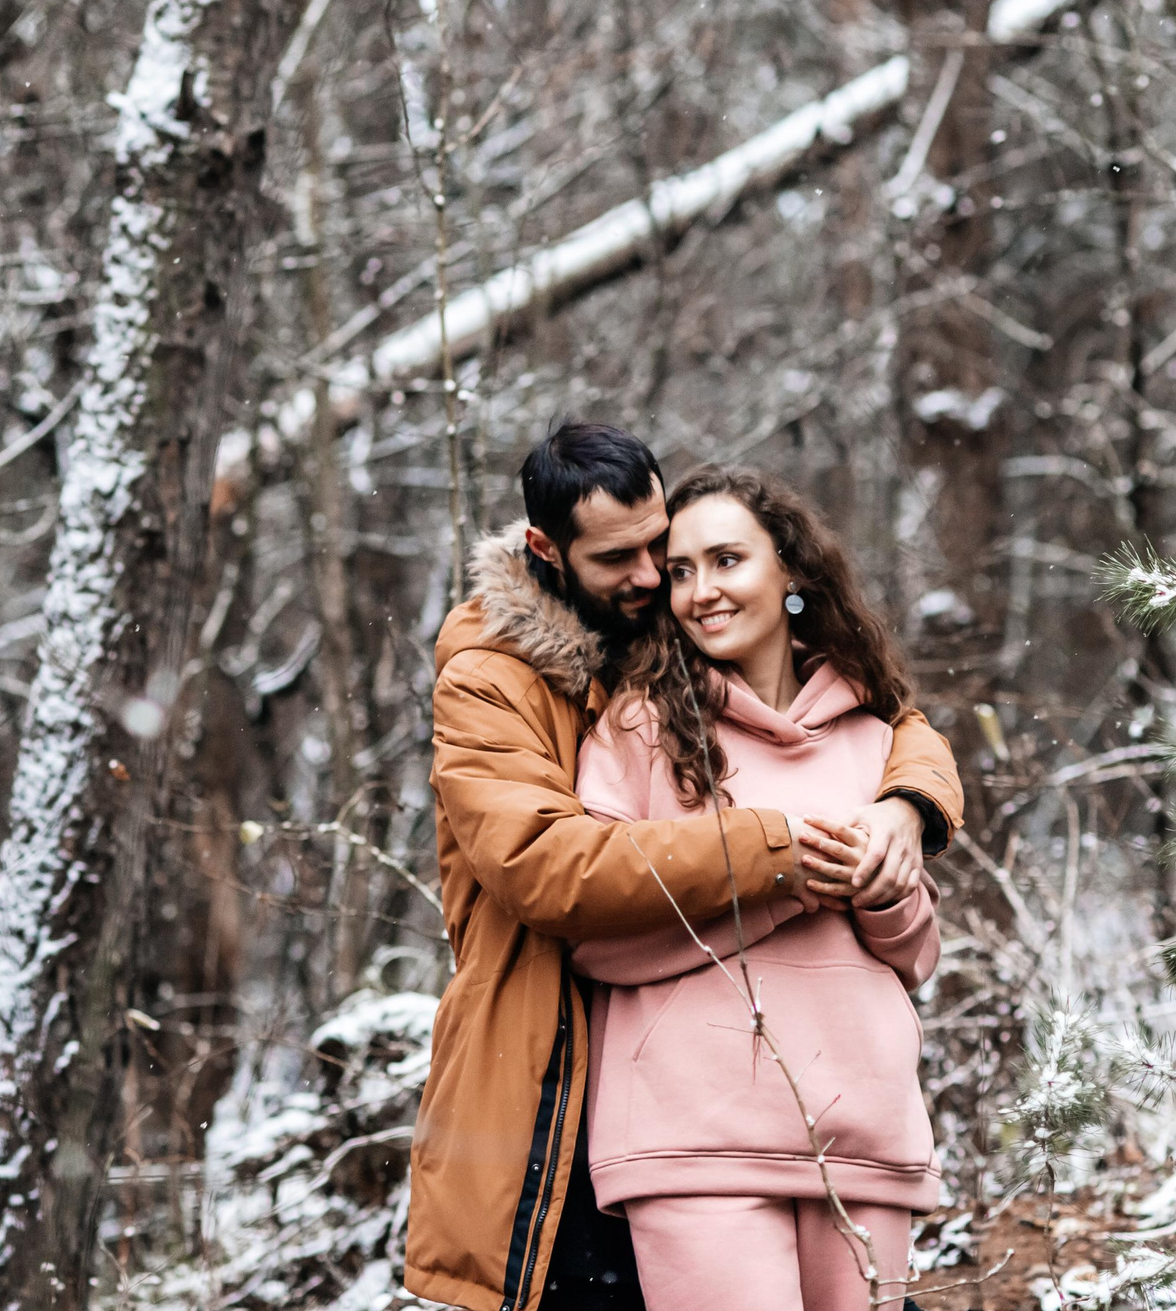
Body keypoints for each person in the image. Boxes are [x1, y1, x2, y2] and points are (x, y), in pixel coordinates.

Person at [403, 423, 962, 1311]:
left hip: (826, 1116)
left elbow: (895, 730)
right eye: (623, 560)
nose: (655, 581)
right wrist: (780, 857)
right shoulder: (495, 681)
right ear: (547, 551)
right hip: (559, 1061)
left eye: (658, 550)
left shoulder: (680, 645)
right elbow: (549, 869)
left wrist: (909, 805)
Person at [570, 464, 939, 1311]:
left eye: (727, 560)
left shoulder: (875, 735)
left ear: (791, 570)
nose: (700, 591)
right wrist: (784, 879)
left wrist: (884, 888)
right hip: (694, 1140)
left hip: (863, 1132)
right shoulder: (639, 728)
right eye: (681, 571)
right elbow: (592, 929)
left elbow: (915, 954)